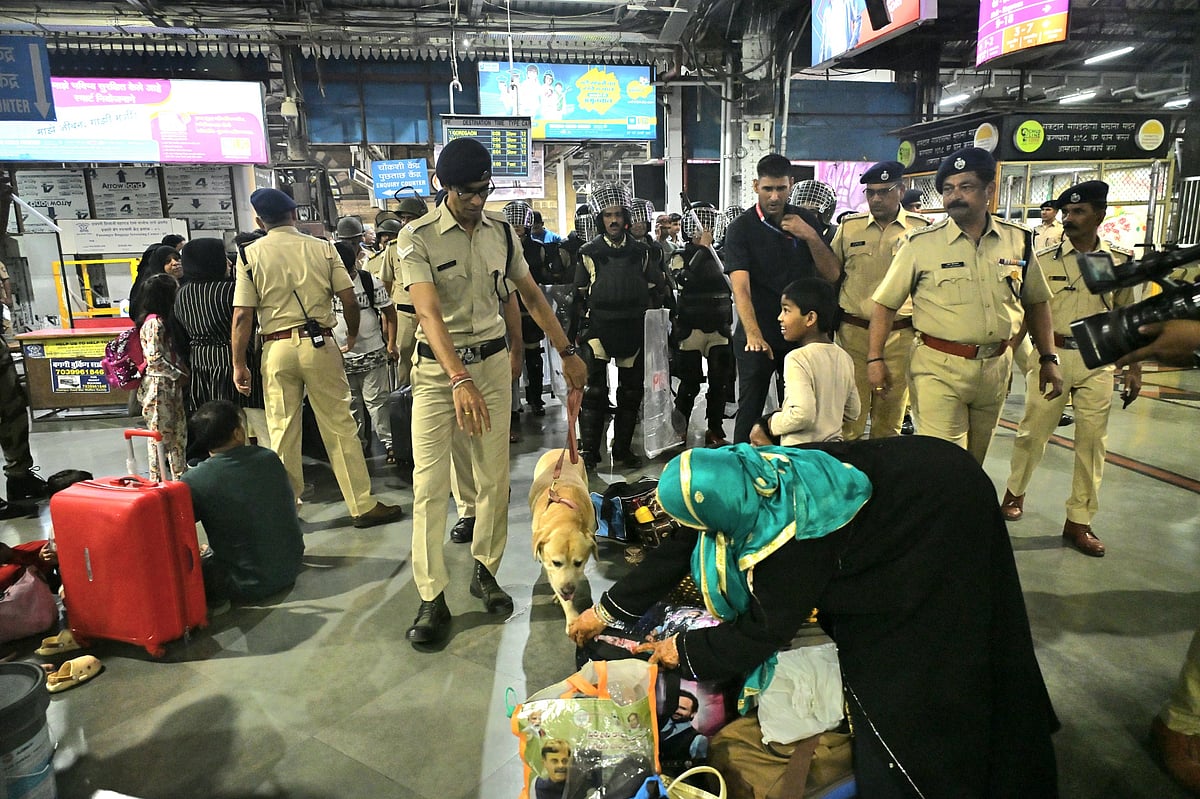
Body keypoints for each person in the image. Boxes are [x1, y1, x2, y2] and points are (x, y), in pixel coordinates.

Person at [569, 439, 1060, 797]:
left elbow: (765, 629)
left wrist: (683, 651)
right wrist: (603, 612)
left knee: (927, 659)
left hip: (938, 512)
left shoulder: (790, 536)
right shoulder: (742, 478)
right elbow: (682, 543)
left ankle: (969, 765)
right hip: (920, 476)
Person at [397, 137, 586, 646]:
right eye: (467, 192)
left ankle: (485, 570)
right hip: (440, 374)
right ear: (443, 186)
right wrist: (458, 378)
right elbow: (428, 315)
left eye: (485, 190)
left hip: (494, 364)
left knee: (493, 478)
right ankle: (432, 595)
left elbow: (530, 295)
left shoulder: (502, 235)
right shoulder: (416, 239)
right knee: (429, 486)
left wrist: (567, 352)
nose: (478, 201)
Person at [867, 146, 1064, 464]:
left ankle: (964, 514)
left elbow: (1037, 302)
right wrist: (875, 358)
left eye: (965, 187)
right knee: (944, 463)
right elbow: (885, 305)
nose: (954, 196)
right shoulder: (921, 245)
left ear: (989, 190)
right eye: (948, 189)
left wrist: (1048, 357)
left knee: (975, 461)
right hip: (939, 367)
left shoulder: (1018, 240)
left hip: (995, 367)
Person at [231, 187, 403, 529]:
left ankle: (287, 507)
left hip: (276, 347)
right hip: (320, 344)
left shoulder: (249, 255)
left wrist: (239, 363)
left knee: (282, 429)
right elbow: (350, 300)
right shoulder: (323, 249)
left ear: (259, 220)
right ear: (295, 214)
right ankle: (362, 505)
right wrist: (351, 335)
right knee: (340, 424)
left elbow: (242, 316)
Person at [1000, 181, 1143, 557]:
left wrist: (1133, 367)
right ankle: (1015, 492)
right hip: (1053, 355)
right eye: (1066, 212)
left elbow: (1126, 318)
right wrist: (1007, 355)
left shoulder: (1118, 263)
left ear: (1099, 215)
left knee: (1092, 443)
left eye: (1078, 212)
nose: (1069, 218)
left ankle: (1079, 520)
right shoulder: (1044, 259)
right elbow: (1027, 314)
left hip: (1098, 361)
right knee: (1033, 432)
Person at [723, 153, 841, 444]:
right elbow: (741, 289)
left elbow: (832, 274)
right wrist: (753, 334)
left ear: (791, 184)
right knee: (749, 409)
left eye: (780, 188)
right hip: (758, 330)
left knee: (801, 410)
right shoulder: (741, 228)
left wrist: (811, 236)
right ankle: (741, 469)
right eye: (767, 189)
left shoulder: (807, 220)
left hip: (800, 333)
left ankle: (793, 468)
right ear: (755, 186)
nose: (774, 196)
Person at [831, 160, 930, 440]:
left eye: (884, 191)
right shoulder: (850, 228)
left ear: (901, 190)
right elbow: (832, 274)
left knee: (890, 420)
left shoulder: (921, 231)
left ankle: (883, 480)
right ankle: (849, 479)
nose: (876, 198)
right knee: (849, 418)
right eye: (870, 192)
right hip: (854, 335)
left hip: (900, 337)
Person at [575, 182, 671, 471]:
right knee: (593, 393)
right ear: (599, 219)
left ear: (626, 216)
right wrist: (572, 336)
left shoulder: (642, 253)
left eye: (618, 214)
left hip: (634, 327)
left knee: (630, 394)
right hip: (599, 328)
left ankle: (623, 450)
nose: (614, 220)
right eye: (607, 215)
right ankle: (589, 452)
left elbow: (658, 288)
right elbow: (578, 297)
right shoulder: (588, 252)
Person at [181, 400, 304, 605]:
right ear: (238, 433)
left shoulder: (195, 480)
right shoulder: (269, 458)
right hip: (291, 566)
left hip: (244, 583)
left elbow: (177, 529)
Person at [175, 238, 270, 450]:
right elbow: (247, 321)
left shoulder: (181, 294)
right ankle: (272, 468)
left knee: (218, 426)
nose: (228, 262)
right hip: (237, 359)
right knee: (259, 422)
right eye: (222, 257)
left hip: (202, 363)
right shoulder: (232, 291)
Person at [750, 278, 858, 446]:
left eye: (786, 310)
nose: (780, 317)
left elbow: (802, 415)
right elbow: (853, 411)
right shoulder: (844, 357)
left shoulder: (797, 358)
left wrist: (772, 422)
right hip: (833, 453)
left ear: (810, 318)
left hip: (801, 457)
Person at [670, 203, 734, 447]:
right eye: (698, 225)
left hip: (719, 327)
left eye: (708, 224)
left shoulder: (724, 255)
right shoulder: (680, 255)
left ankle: (715, 428)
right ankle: (680, 427)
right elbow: (683, 279)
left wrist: (711, 250)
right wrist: (703, 250)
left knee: (720, 381)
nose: (702, 229)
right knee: (690, 382)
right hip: (691, 328)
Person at [332, 241, 397, 461]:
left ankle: (389, 444)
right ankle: (357, 446)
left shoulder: (370, 281)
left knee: (377, 402)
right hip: (340, 357)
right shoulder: (324, 285)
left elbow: (390, 312)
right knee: (352, 404)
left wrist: (391, 343)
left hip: (372, 351)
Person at [137, 273, 188, 481]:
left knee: (178, 434)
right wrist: (179, 374)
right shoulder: (154, 324)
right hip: (158, 386)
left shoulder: (165, 322)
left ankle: (179, 477)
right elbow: (154, 358)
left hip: (169, 384)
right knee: (159, 436)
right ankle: (156, 480)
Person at [130, 245, 182, 318]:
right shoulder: (152, 287)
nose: (175, 263)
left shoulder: (188, 283)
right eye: (167, 261)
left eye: (177, 259)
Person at [659, 690, 709, 763]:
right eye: (675, 706)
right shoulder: (657, 725)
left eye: (683, 708)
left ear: (693, 713)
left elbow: (699, 769)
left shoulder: (698, 739)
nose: (677, 711)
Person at [789, 179, 839, 244]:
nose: (806, 216)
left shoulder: (837, 236)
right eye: (802, 211)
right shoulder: (787, 235)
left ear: (824, 214)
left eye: (812, 212)